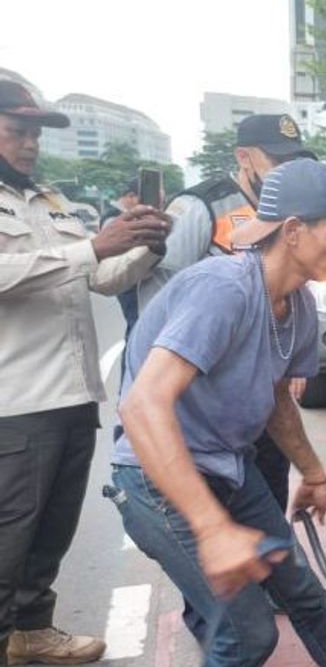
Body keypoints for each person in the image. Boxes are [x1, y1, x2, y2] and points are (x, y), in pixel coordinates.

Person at [112, 158, 326, 666]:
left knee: (307, 598)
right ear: (292, 231)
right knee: (248, 635)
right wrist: (212, 529)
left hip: (229, 466)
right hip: (155, 481)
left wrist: (313, 472)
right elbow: (142, 404)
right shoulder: (224, 289)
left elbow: (275, 401)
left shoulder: (303, 306)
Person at [0, 80, 168, 666]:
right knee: (8, 539)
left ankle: (31, 630)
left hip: (71, 395)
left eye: (34, 134)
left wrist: (145, 246)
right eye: (17, 131)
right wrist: (94, 248)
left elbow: (99, 279)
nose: (29, 145)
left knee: (50, 532)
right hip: (15, 402)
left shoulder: (48, 200)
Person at [139, 114, 317, 515]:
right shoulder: (200, 206)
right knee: (210, 518)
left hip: (260, 398)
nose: (284, 171)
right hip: (203, 402)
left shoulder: (292, 212)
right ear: (244, 157)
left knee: (269, 506)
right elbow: (163, 298)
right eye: (276, 161)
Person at [102, 178, 143, 334]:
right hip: (128, 280)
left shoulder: (123, 216)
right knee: (136, 326)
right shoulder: (114, 218)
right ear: (131, 196)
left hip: (133, 277)